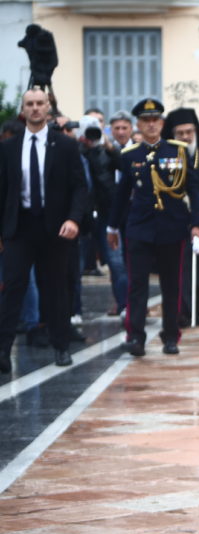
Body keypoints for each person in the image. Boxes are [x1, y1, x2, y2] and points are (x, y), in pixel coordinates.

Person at [107, 98, 199, 357]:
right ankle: (135, 336)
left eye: (155, 120)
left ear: (162, 123)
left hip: (172, 227)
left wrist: (197, 224)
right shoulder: (129, 156)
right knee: (136, 285)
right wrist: (112, 227)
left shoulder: (179, 150)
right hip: (139, 228)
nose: (151, 125)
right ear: (138, 124)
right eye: (146, 121)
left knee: (171, 286)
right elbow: (121, 194)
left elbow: (194, 190)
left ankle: (171, 336)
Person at [0, 88, 88, 372]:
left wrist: (74, 219)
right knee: (13, 288)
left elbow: (79, 187)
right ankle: (2, 351)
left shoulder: (65, 146)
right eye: (30, 104)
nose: (35, 108)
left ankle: (61, 347)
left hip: (55, 229)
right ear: (23, 110)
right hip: (20, 228)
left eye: (40, 103)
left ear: (48, 108)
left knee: (55, 289)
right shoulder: (8, 148)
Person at [163, 107, 199, 324]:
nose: (185, 137)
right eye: (180, 133)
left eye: (189, 132)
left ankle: (197, 310)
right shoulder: (167, 159)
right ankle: (181, 312)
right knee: (178, 271)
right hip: (176, 224)